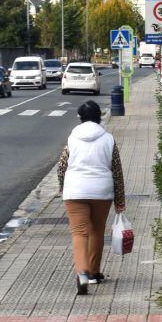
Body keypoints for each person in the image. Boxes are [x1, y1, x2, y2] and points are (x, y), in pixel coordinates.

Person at [56, 100, 125, 295]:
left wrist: (62, 187)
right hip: (101, 191)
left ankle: (82, 273)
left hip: (75, 190)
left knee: (79, 233)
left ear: (80, 117)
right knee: (97, 230)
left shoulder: (72, 138)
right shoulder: (109, 139)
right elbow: (117, 172)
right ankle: (94, 272)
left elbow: (62, 166)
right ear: (99, 117)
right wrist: (120, 200)